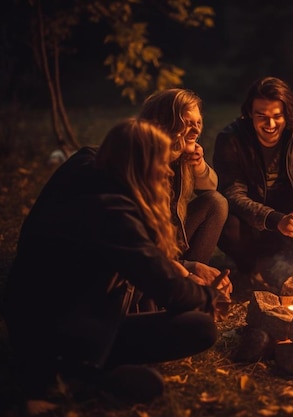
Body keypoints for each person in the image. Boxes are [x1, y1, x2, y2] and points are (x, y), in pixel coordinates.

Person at [3, 119, 233, 414]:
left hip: (33, 317)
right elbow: (165, 287)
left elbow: (145, 264)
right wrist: (208, 298)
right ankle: (82, 377)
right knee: (201, 327)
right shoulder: (113, 212)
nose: (167, 171)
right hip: (63, 336)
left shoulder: (89, 167)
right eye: (160, 163)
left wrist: (180, 269)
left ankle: (88, 371)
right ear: (140, 164)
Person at [213, 76, 293, 292]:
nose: (271, 124)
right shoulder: (231, 139)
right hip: (253, 228)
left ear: (287, 113)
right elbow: (232, 193)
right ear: (249, 114)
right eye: (261, 116)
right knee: (225, 221)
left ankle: (291, 266)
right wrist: (275, 219)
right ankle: (251, 268)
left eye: (277, 116)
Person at [138, 88, 228, 272]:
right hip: (143, 250)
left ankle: (192, 279)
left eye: (198, 123)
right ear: (166, 122)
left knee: (216, 202)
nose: (195, 129)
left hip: (172, 237)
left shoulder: (183, 154)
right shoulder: (143, 161)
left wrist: (198, 165)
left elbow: (210, 188)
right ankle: (182, 278)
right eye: (187, 123)